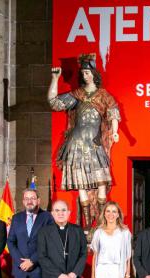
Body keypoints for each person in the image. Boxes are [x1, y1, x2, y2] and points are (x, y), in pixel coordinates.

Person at [48, 53, 121, 232]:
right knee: (81, 186)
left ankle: (102, 224)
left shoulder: (103, 95)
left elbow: (113, 113)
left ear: (94, 73)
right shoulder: (77, 95)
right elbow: (54, 103)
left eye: (88, 72)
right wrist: (55, 79)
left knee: (102, 183)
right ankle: (87, 226)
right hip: (77, 143)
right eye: (83, 73)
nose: (85, 75)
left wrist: (115, 131)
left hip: (95, 143)